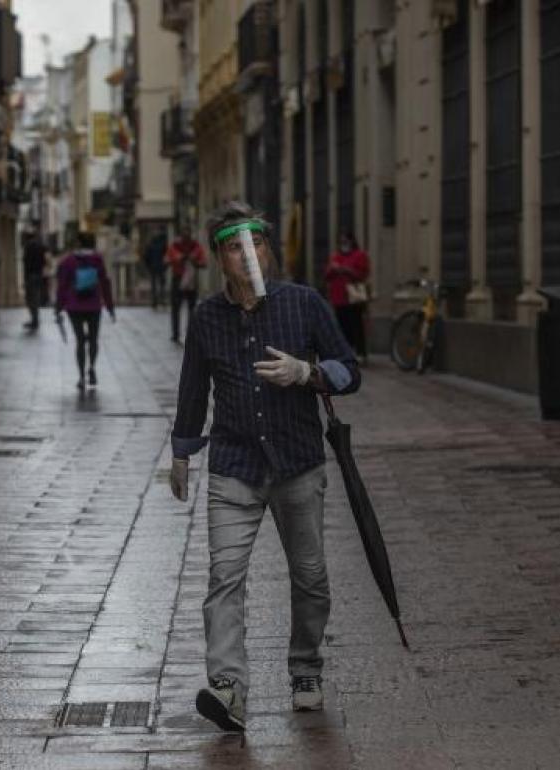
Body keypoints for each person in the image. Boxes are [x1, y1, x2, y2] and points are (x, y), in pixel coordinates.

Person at [169, 201, 361, 732]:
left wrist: (308, 372)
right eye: (235, 246)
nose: (248, 254)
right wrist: (182, 451)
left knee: (311, 575)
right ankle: (228, 688)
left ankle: (304, 668)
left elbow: (351, 370)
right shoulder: (208, 317)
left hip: (298, 463)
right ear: (219, 259)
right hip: (234, 465)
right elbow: (192, 388)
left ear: (268, 250)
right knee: (224, 578)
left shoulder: (304, 304)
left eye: (256, 243)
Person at [54, 231, 116, 390]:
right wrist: (109, 306)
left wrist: (58, 306)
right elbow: (105, 282)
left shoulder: (68, 261)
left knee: (80, 341)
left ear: (78, 243)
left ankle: (81, 376)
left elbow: (62, 285)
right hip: (94, 305)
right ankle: (92, 368)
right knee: (94, 339)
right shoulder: (97, 260)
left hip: (74, 306)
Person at [323, 231, 371, 362]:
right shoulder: (336, 256)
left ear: (352, 241)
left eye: (346, 241)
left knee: (356, 325)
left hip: (354, 297)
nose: (343, 244)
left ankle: (361, 353)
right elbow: (327, 275)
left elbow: (363, 274)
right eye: (341, 241)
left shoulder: (360, 255)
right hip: (339, 298)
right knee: (342, 327)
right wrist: (333, 269)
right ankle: (347, 352)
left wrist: (346, 270)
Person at [166, 224, 207, 343]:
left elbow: (204, 262)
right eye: (184, 233)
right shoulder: (175, 246)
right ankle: (176, 333)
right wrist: (180, 259)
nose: (186, 235)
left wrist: (194, 262)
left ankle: (190, 333)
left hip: (191, 281)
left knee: (192, 309)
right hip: (178, 279)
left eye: (187, 232)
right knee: (178, 308)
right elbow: (167, 260)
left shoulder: (196, 246)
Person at [22, 231, 49, 330]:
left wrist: (24, 279)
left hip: (30, 275)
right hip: (39, 274)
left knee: (30, 299)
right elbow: (45, 260)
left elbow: (26, 263)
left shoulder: (27, 247)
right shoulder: (41, 246)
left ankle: (34, 320)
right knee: (36, 297)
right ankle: (35, 320)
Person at [142, 228, 169, 310]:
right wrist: (165, 266)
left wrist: (149, 266)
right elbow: (166, 256)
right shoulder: (162, 244)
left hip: (154, 267)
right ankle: (160, 301)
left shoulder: (151, 244)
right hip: (159, 267)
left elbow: (146, 257)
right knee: (160, 285)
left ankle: (156, 301)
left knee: (156, 285)